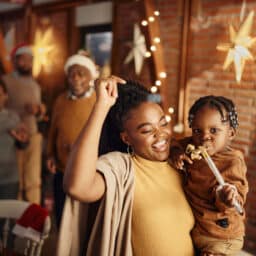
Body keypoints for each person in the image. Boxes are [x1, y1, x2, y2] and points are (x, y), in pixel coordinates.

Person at [56, 77, 195, 256]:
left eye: (163, 123)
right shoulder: (122, 168)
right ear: (126, 138)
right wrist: (102, 106)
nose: (160, 135)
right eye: (146, 130)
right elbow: (77, 187)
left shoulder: (180, 163)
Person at [169, 95, 249, 256]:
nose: (204, 137)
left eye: (214, 130)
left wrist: (227, 197)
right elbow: (173, 143)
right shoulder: (191, 146)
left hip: (222, 236)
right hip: (198, 229)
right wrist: (176, 153)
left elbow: (237, 194)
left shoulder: (232, 161)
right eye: (198, 130)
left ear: (231, 133)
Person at [46, 52, 98, 229]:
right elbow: (53, 129)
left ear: (90, 76)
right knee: (62, 216)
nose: (75, 78)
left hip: (89, 171)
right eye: (72, 73)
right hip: (62, 167)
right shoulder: (61, 100)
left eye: (81, 73)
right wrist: (50, 155)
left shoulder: (98, 101)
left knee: (84, 221)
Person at [2, 44, 46, 204]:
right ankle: (16, 221)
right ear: (15, 61)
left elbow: (39, 115)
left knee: (33, 182)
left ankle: (33, 223)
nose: (27, 63)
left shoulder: (35, 84)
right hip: (13, 138)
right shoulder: (6, 81)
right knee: (17, 182)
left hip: (33, 136)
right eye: (23, 59)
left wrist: (39, 110)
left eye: (30, 60)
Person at [0, 78, 29, 199]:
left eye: (0, 94)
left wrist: (23, 140)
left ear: (6, 96)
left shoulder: (13, 117)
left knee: (7, 215)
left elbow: (22, 144)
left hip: (9, 179)